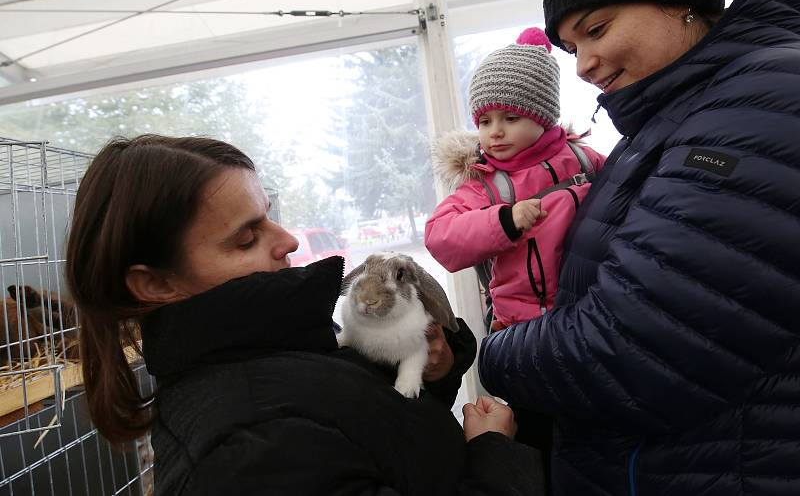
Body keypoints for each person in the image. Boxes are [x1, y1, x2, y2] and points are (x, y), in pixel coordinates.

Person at [65, 134, 545, 496]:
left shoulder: (271, 346)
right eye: (246, 238)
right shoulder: (247, 452)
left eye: (268, 214)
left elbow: (360, 434)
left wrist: (430, 374)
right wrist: (494, 456)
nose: (289, 240)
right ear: (157, 284)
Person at [479, 0, 800, 496]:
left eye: (597, 30)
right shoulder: (679, 115)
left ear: (680, 2)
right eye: (570, 47)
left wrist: (495, 352)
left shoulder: (756, 104)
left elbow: (633, 347)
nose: (582, 66)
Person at [425, 27, 606, 333]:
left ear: (543, 117)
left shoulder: (584, 159)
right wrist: (504, 221)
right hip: (525, 322)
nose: (495, 131)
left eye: (510, 118)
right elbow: (439, 236)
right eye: (485, 121)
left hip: (594, 306)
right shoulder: (487, 184)